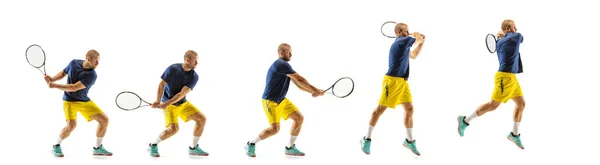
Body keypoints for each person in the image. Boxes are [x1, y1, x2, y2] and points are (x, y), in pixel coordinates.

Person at [244, 43, 325, 157]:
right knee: (275, 129)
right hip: (270, 101)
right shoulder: (281, 65)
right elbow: (300, 78)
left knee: (299, 118)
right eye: (288, 52)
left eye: (291, 52)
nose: (291, 54)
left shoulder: (285, 67)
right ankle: (251, 143)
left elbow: (297, 83)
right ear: (281, 53)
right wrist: (315, 89)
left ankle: (290, 148)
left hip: (281, 100)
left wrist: (312, 92)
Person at [457, 19, 526, 150]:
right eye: (513, 27)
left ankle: (514, 134)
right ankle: (465, 120)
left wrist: (502, 35)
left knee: (521, 104)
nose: (516, 30)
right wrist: (505, 34)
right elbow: (521, 38)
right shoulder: (515, 37)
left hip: (511, 77)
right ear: (507, 29)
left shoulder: (499, 41)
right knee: (492, 106)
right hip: (504, 78)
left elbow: (510, 38)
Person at [359, 22, 425, 156]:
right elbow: (417, 38)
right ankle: (366, 139)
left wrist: (422, 42)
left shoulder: (404, 45)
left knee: (410, 109)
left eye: (408, 31)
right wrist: (418, 36)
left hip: (402, 82)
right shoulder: (401, 42)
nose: (408, 33)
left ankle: (409, 140)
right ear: (399, 33)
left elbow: (414, 55)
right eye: (406, 31)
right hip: (392, 81)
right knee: (379, 110)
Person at [44, 49, 113, 157]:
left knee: (104, 120)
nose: (98, 63)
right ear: (88, 59)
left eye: (99, 61)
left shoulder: (92, 75)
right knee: (71, 126)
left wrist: (54, 85)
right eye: (96, 61)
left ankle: (97, 148)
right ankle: (56, 146)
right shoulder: (73, 63)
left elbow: (74, 87)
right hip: (69, 101)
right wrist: (52, 78)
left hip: (83, 101)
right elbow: (63, 72)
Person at [147, 50, 209, 157]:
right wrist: (158, 100)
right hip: (170, 106)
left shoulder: (194, 76)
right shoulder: (173, 69)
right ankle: (152, 145)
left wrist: (166, 103)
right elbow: (161, 84)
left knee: (201, 119)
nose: (197, 63)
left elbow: (181, 94)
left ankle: (193, 148)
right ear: (187, 60)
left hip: (182, 103)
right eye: (195, 61)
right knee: (174, 129)